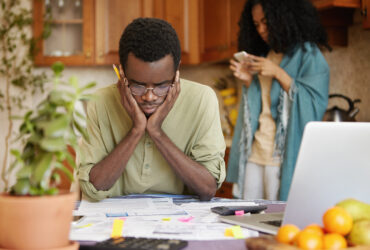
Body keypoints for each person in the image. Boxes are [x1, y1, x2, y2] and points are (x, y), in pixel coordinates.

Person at [78, 18, 226, 201]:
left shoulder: (202, 99)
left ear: (176, 71)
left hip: (182, 223)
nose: (149, 97)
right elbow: (94, 186)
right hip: (115, 222)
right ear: (122, 72)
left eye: (162, 86)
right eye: (138, 86)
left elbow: (208, 188)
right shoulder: (100, 102)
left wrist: (156, 132)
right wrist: (136, 130)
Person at [226, 0, 331, 201]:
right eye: (256, 25)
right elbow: (263, 103)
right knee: (246, 218)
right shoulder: (268, 54)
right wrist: (249, 81)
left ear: (283, 18)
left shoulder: (308, 54)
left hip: (280, 158)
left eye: (266, 22)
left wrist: (278, 73)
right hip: (255, 151)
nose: (261, 30)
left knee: (276, 221)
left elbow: (314, 103)